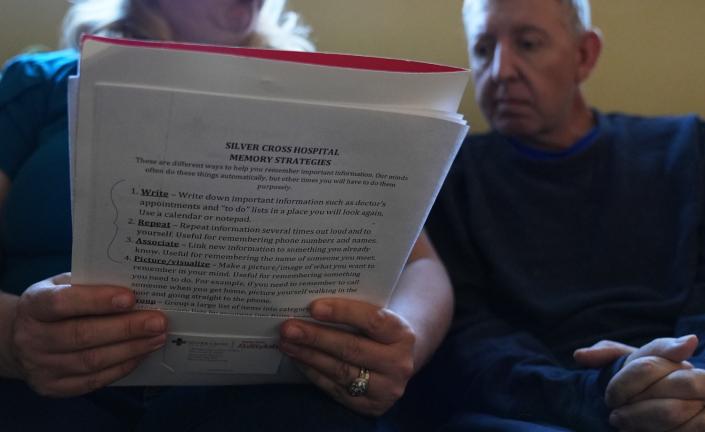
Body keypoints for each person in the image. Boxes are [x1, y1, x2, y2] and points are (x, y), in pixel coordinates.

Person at [0, 0, 453, 430]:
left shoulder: (329, 97)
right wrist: (15, 337)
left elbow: (422, 265)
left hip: (273, 392)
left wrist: (394, 347)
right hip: (46, 390)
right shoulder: (38, 84)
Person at [415, 0, 705, 430]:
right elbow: (468, 340)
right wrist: (603, 393)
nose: (501, 71)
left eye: (528, 44)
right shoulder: (450, 173)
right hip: (547, 406)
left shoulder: (686, 146)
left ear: (585, 55)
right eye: (484, 49)